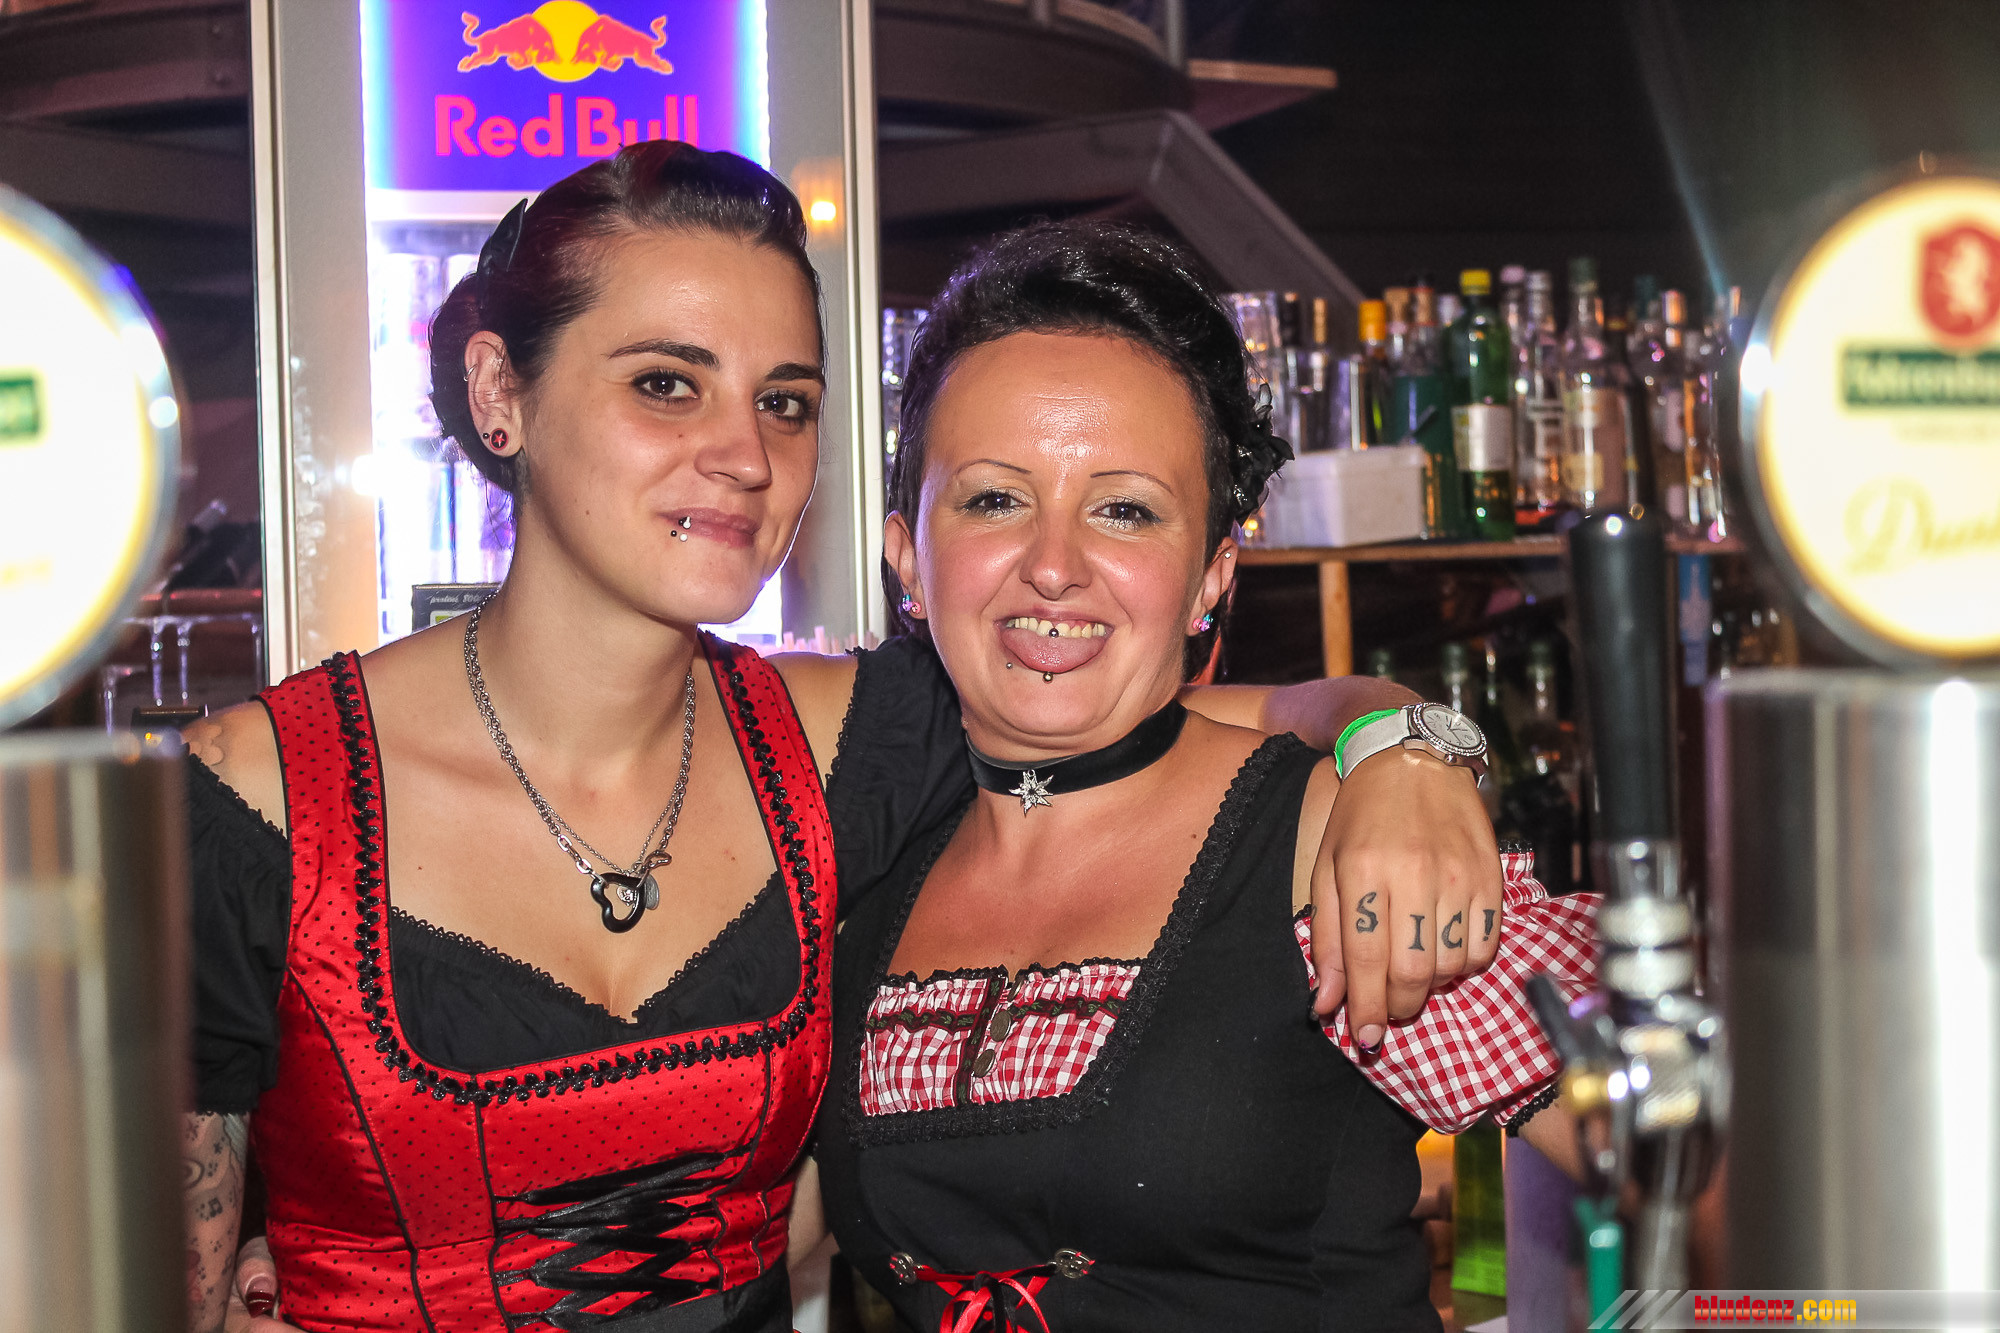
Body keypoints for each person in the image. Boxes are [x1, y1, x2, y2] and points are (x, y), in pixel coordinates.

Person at [183, 145, 1503, 1333]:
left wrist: (1410, 749)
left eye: (786, 402)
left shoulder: (841, 744)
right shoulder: (258, 801)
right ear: (499, 391)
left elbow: (1164, 711)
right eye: (666, 384)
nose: (743, 455)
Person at [812, 220, 1600, 1331]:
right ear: (907, 556)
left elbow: (1714, 1175)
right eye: (993, 499)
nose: (1053, 564)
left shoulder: (1323, 836)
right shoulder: (870, 864)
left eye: (1124, 509)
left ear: (1211, 576)